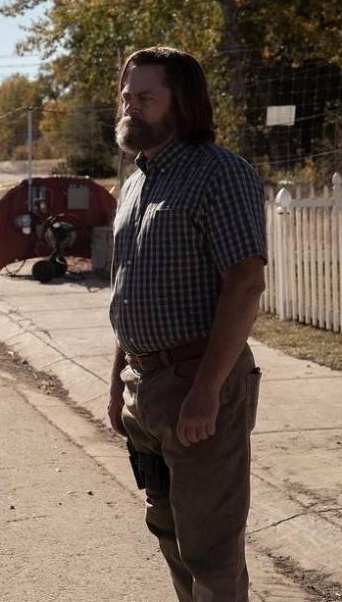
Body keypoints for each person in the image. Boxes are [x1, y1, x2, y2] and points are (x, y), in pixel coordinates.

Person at [106, 46, 267, 601]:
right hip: (143, 388)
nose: (130, 107)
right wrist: (117, 383)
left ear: (184, 104)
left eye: (145, 98)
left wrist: (206, 391)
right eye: (127, 96)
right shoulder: (135, 181)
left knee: (211, 549)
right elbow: (128, 288)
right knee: (170, 533)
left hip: (199, 386)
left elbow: (245, 283)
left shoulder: (221, 174)